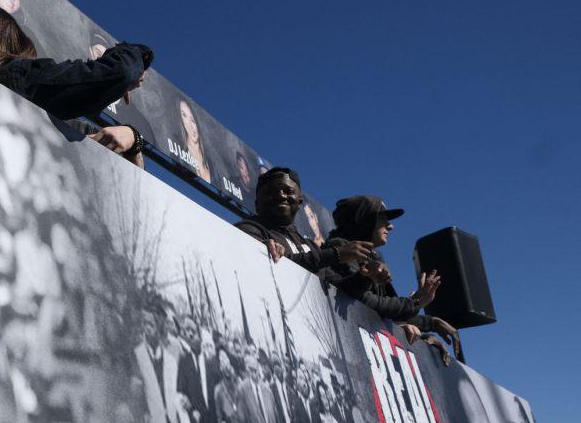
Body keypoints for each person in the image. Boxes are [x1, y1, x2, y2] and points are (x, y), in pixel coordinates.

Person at [0, 0, 152, 167]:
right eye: (19, 51)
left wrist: (133, 140)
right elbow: (119, 71)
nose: (27, 61)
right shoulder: (13, 74)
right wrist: (138, 56)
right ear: (2, 43)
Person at [322, 195, 461, 359]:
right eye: (383, 219)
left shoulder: (373, 257)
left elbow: (389, 313)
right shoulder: (340, 249)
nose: (390, 226)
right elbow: (364, 303)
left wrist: (430, 324)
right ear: (364, 222)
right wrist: (416, 302)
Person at [235, 167, 373, 273]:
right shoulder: (247, 229)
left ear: (299, 203)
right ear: (257, 204)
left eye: (288, 191)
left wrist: (366, 278)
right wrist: (336, 254)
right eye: (271, 192)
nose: (281, 195)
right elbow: (274, 266)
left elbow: (333, 287)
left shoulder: (311, 246)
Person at [176, 99, 212, 182]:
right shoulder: (178, 154)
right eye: (184, 116)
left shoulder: (212, 165)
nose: (190, 125)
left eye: (192, 120)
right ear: (181, 120)